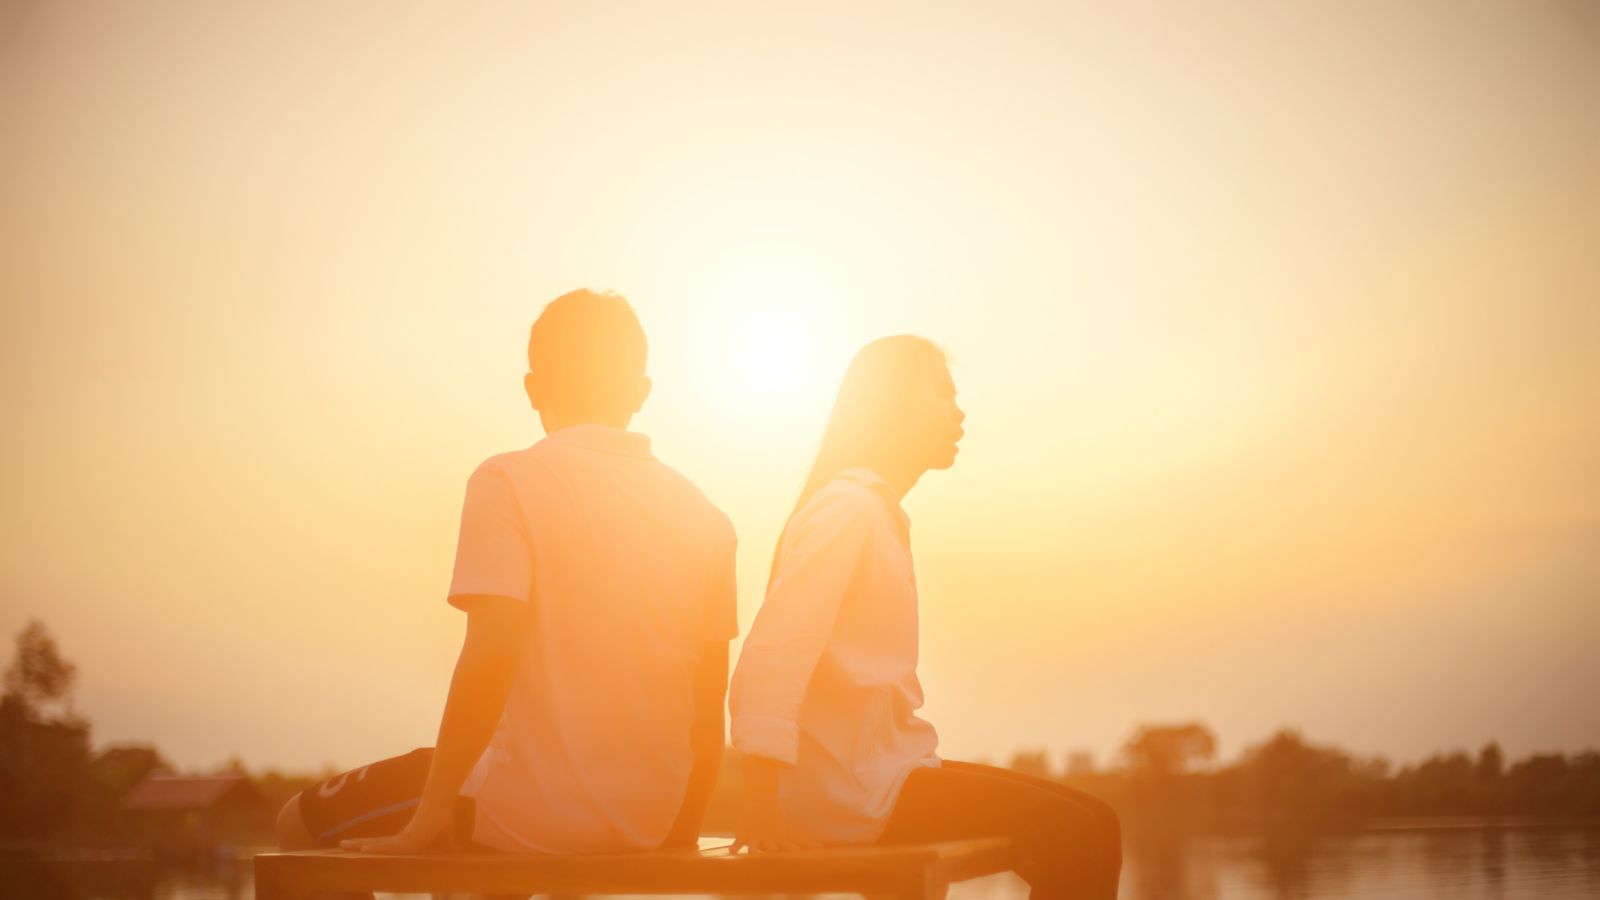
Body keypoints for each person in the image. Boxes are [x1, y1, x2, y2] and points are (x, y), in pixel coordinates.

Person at [275, 289, 736, 856]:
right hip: (651, 819)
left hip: (526, 812)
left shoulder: (509, 482)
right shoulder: (710, 519)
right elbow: (709, 709)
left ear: (533, 388)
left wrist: (429, 817)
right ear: (641, 394)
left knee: (295, 829)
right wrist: (680, 835)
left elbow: (492, 653)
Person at [728, 335, 1120, 899]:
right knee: (1077, 834)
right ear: (890, 406)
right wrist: (761, 805)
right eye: (942, 393)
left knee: (1096, 821)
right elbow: (774, 651)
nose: (959, 411)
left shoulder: (875, 511)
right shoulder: (849, 508)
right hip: (852, 795)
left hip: (881, 779)